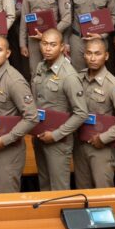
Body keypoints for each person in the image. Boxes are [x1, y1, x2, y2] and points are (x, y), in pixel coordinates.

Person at [73, 38, 115, 189]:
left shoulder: (113, 85)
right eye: (89, 53)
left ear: (106, 56)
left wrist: (103, 138)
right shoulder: (77, 79)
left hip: (101, 148)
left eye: (97, 54)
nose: (92, 58)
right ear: (84, 55)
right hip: (79, 145)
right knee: (82, 191)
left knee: (103, 193)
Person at [0, 36, 38, 194]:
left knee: (7, 199)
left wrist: (5, 140)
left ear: (8, 53)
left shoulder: (14, 81)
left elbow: (32, 117)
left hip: (8, 151)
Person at [31, 29, 87, 191]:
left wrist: (56, 135)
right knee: (44, 185)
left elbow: (81, 113)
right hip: (39, 136)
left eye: (53, 45)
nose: (47, 48)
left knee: (59, 189)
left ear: (62, 47)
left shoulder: (69, 76)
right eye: (44, 44)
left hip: (58, 141)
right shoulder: (40, 66)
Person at [18, 0, 72, 74]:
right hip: (33, 38)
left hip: (53, 40)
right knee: (35, 72)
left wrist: (50, 34)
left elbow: (67, 18)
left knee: (54, 72)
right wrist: (22, 43)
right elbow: (24, 16)